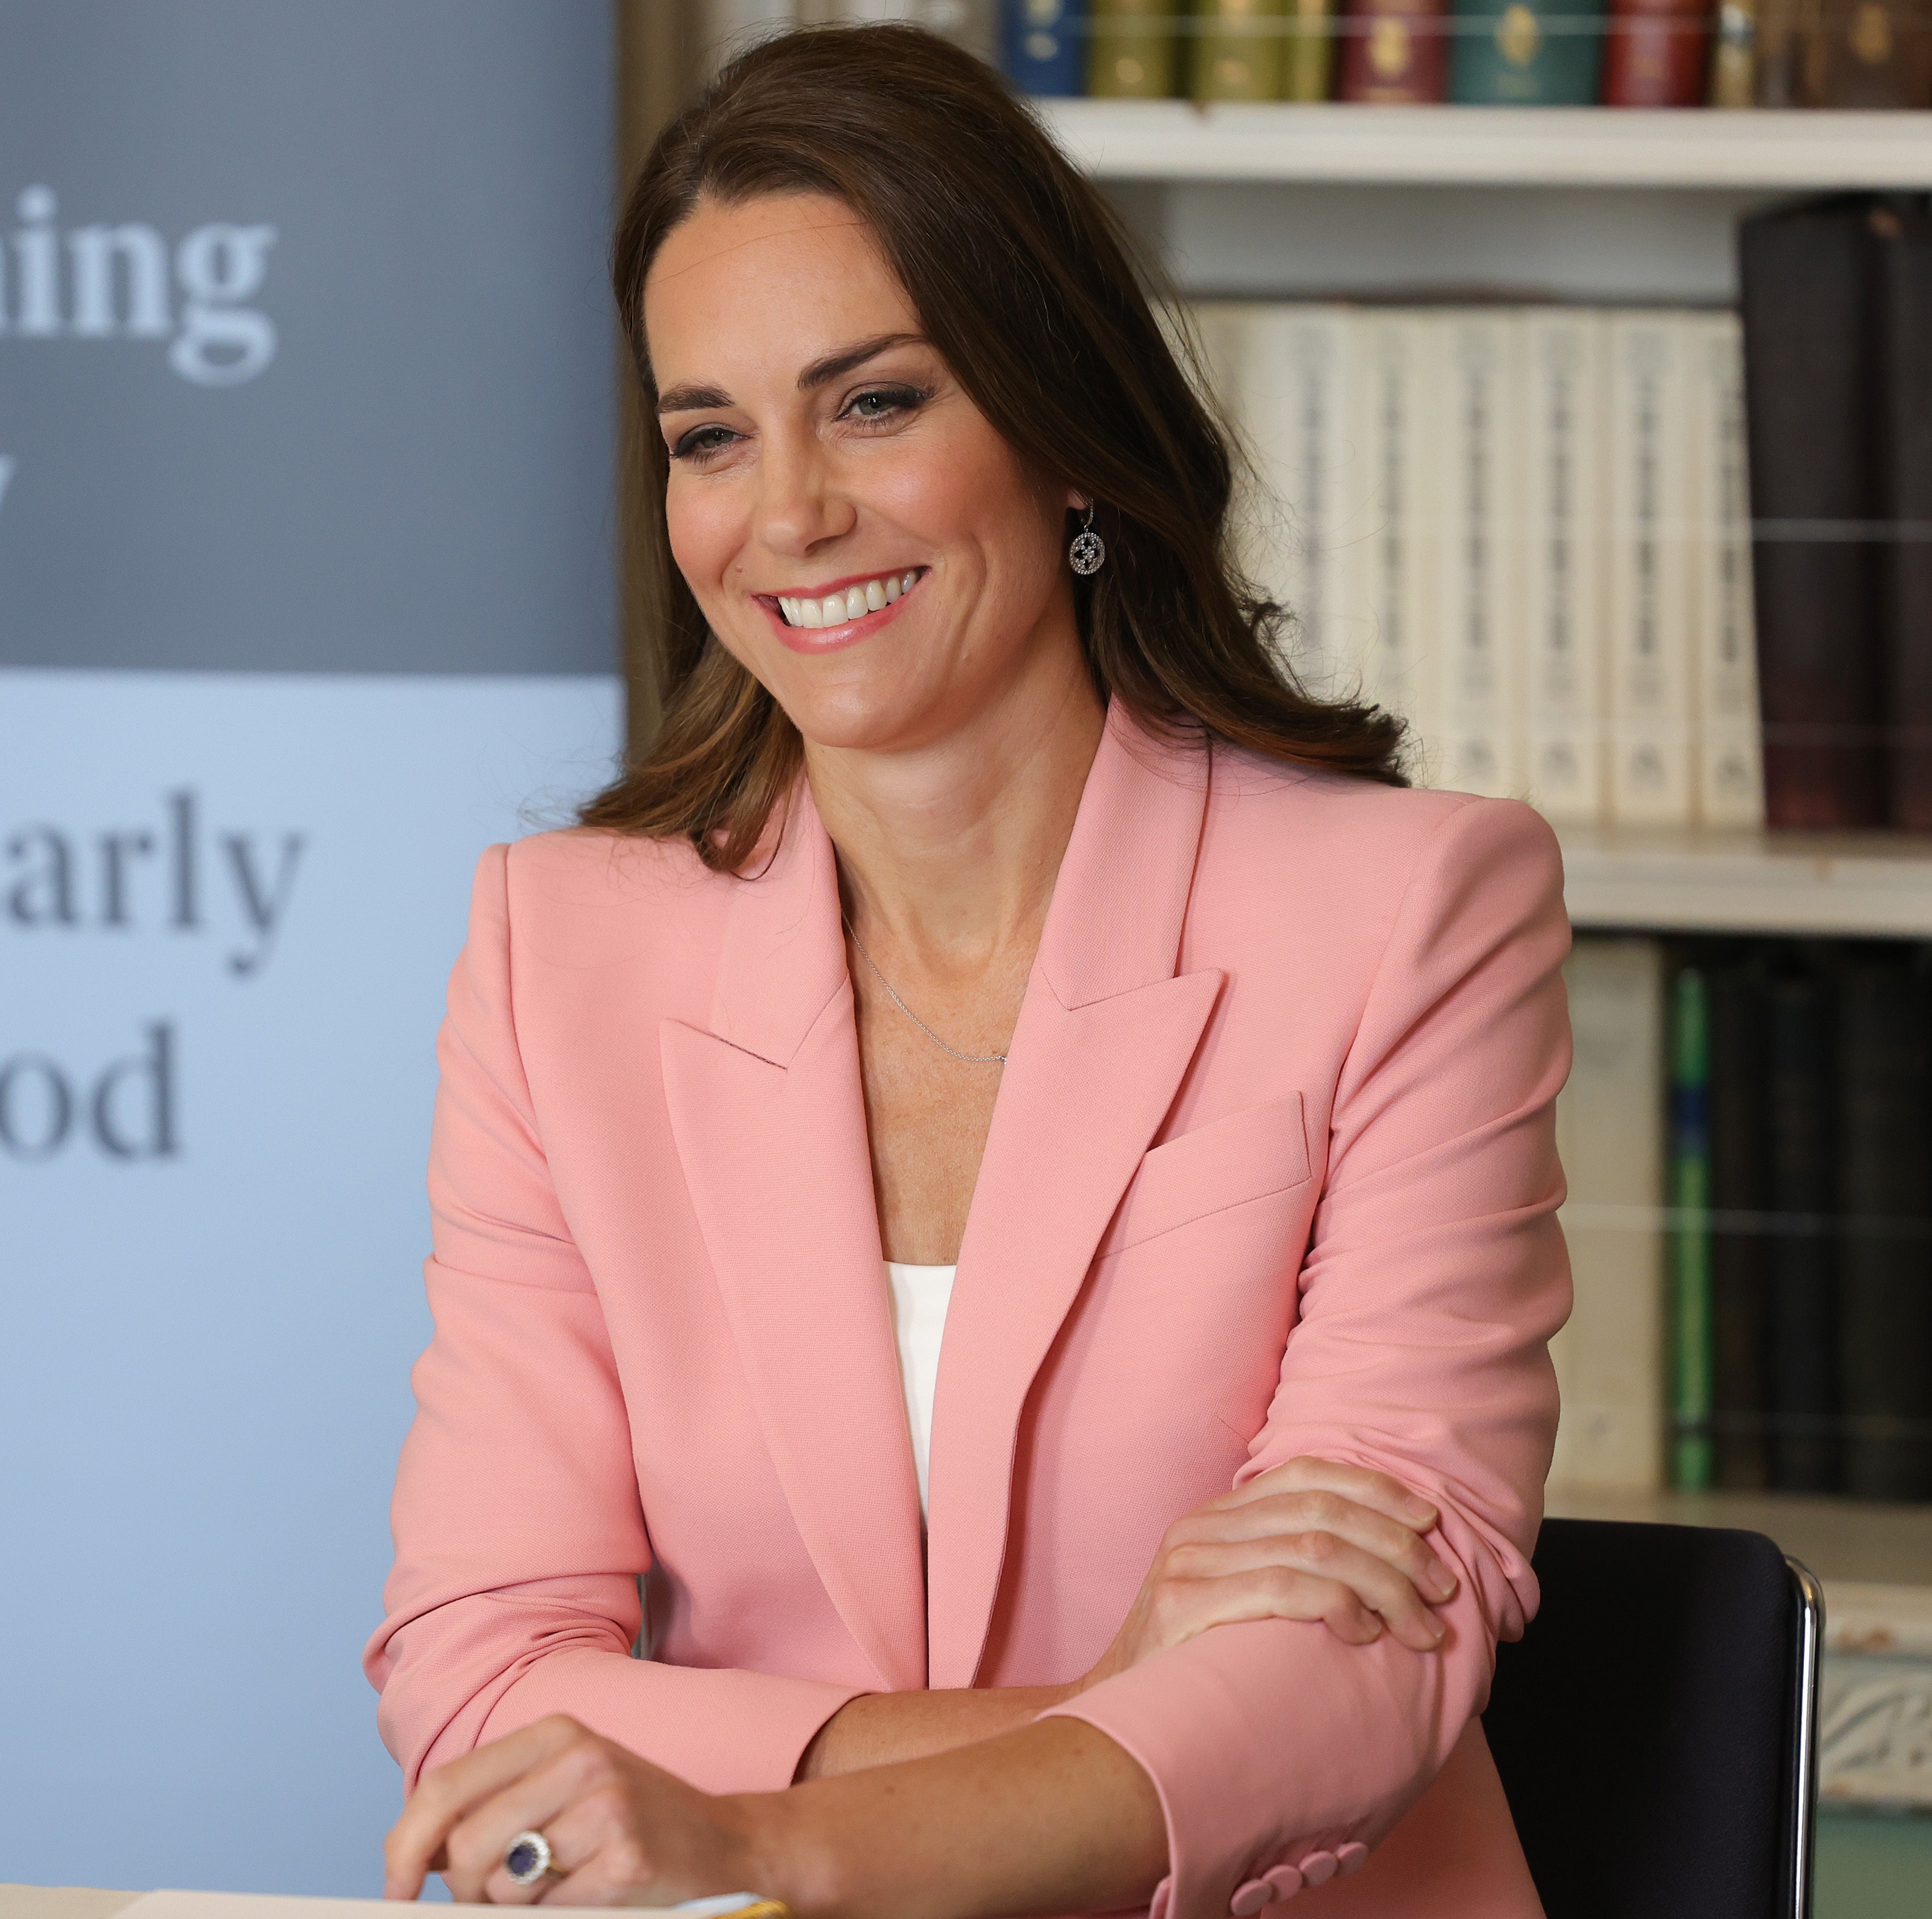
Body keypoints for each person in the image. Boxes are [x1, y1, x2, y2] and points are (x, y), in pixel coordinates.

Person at [364, 23, 1569, 1919]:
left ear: (1064, 422)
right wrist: (1099, 1704)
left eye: (876, 403)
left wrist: (766, 1833)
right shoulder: (556, 950)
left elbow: (1367, 1658)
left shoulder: (1412, 911)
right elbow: (480, 1679)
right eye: (709, 437)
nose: (788, 517)